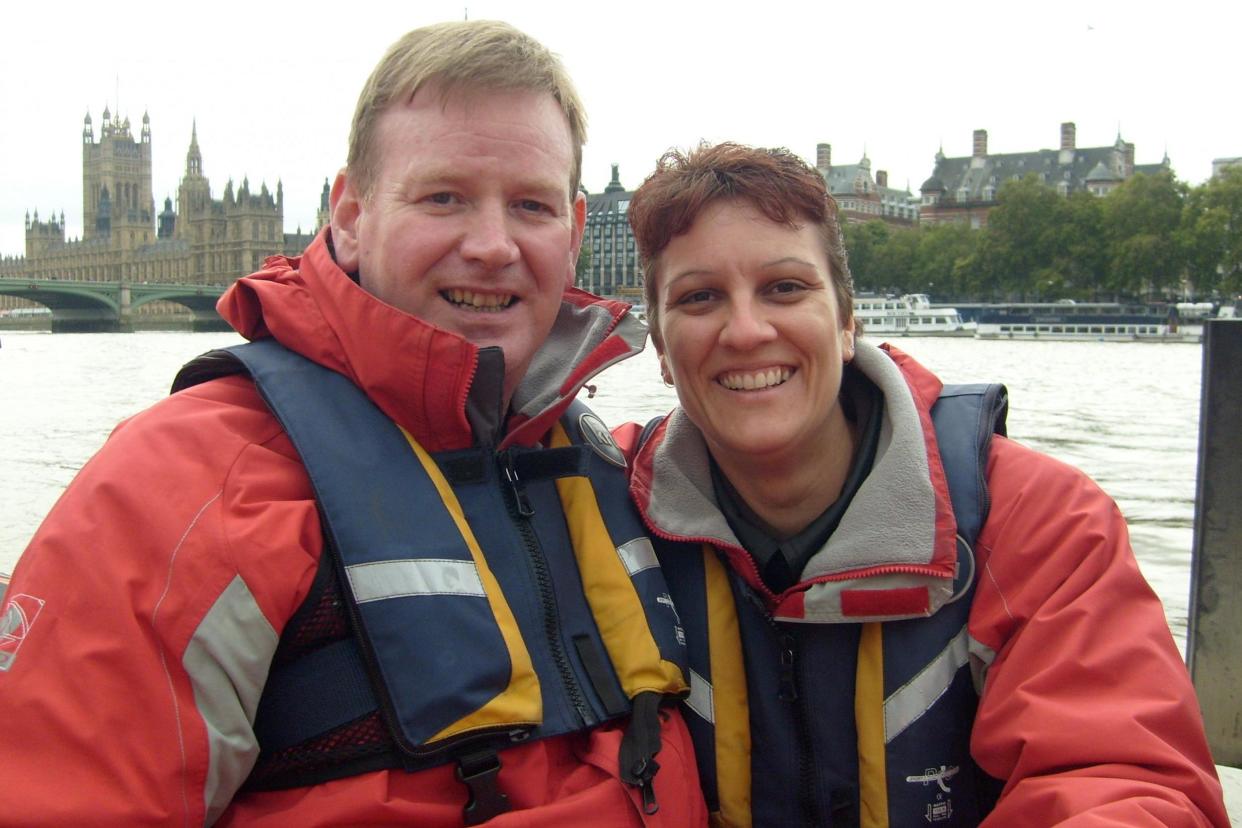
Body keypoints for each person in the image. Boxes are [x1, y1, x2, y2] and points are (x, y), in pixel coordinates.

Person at [0, 22, 705, 827]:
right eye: (443, 197)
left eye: (530, 205)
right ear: (349, 215)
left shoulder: (618, 468)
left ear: (575, 233)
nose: (490, 245)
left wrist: (863, 387)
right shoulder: (183, 485)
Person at [614, 142, 1230, 827]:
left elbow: (1125, 780)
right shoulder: (600, 510)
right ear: (663, 353)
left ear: (848, 322)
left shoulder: (1037, 521)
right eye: (700, 298)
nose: (748, 330)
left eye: (785, 287)